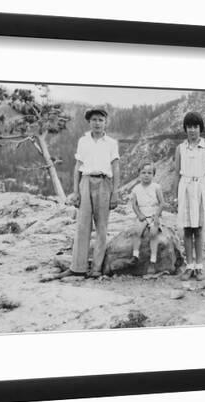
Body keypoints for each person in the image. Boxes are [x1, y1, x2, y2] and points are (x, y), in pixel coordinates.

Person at [61, 107, 120, 279]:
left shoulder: (111, 143)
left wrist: (115, 193)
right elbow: (78, 166)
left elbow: (115, 167)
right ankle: (77, 267)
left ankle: (96, 268)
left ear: (105, 122)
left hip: (104, 183)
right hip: (86, 181)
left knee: (102, 227)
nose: (97, 123)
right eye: (94, 120)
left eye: (100, 120)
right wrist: (75, 191)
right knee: (82, 226)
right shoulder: (83, 141)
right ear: (89, 122)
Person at [173, 111, 205, 280]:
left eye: (195, 126)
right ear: (185, 129)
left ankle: (199, 266)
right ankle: (189, 266)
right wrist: (176, 197)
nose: (192, 130)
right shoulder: (180, 148)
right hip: (185, 188)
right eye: (189, 126)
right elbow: (176, 173)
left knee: (198, 229)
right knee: (187, 229)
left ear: (200, 128)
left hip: (200, 189)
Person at [129, 161, 165, 273]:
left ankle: (153, 260)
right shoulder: (136, 189)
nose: (146, 175)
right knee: (137, 231)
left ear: (153, 175)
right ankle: (135, 255)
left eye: (149, 173)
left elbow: (162, 203)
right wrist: (139, 215)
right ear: (139, 174)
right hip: (143, 214)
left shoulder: (156, 187)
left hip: (154, 214)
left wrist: (157, 215)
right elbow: (134, 204)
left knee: (153, 233)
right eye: (143, 172)